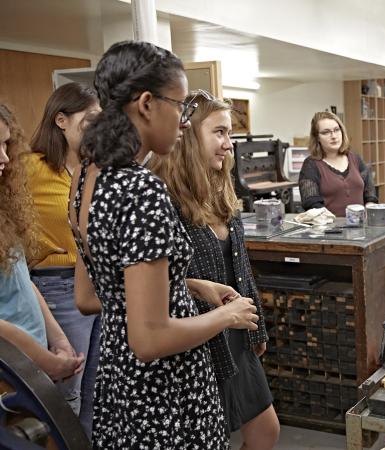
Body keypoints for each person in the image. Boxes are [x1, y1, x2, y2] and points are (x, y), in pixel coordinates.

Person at [69, 40, 259, 449]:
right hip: (165, 396)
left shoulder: (88, 177)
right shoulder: (143, 190)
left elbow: (90, 295)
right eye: (178, 105)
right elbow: (150, 338)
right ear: (146, 104)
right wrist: (226, 317)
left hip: (121, 390)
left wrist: (188, 286)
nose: (185, 122)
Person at [150, 91, 280, 449]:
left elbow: (241, 268)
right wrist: (194, 285)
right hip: (197, 337)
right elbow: (159, 278)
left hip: (236, 330)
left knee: (265, 430)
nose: (228, 144)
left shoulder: (220, 190)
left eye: (230, 135)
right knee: (209, 439)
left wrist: (257, 327)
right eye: (219, 133)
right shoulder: (165, 199)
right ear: (189, 135)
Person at [25, 82, 101, 436]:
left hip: (98, 285)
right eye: (90, 120)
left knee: (96, 392)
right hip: (57, 287)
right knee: (66, 392)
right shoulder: (31, 168)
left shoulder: (92, 170)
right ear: (61, 120)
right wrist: (35, 249)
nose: (97, 129)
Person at [0, 102, 85, 383]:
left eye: (6, 146)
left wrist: (59, 340)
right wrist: (46, 361)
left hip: (29, 365)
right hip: (13, 367)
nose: (5, 158)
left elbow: (22, 282)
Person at [299, 111, 378, 216]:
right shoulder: (311, 165)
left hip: (361, 226)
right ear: (317, 137)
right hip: (329, 229)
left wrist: (370, 211)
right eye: (326, 132)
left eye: (336, 130)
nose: (333, 136)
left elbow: (370, 191)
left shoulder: (355, 158)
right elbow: (311, 202)